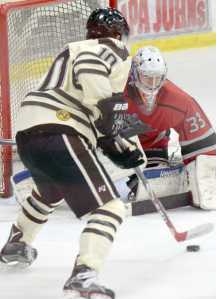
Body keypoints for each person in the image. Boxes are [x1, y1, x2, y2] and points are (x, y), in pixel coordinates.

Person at [0, 7, 145, 299]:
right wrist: (116, 131)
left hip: (29, 130)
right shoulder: (110, 47)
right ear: (118, 34)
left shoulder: (73, 49)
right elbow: (100, 103)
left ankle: (18, 242)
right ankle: (84, 274)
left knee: (50, 190)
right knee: (110, 207)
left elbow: (99, 123)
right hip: (61, 128)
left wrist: (113, 142)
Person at [124, 46, 216, 212]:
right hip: (114, 144)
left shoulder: (177, 100)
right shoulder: (115, 90)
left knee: (154, 186)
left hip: (151, 144)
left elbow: (201, 139)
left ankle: (172, 170)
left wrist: (203, 171)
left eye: (157, 78)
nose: (152, 85)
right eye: (146, 78)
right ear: (134, 74)